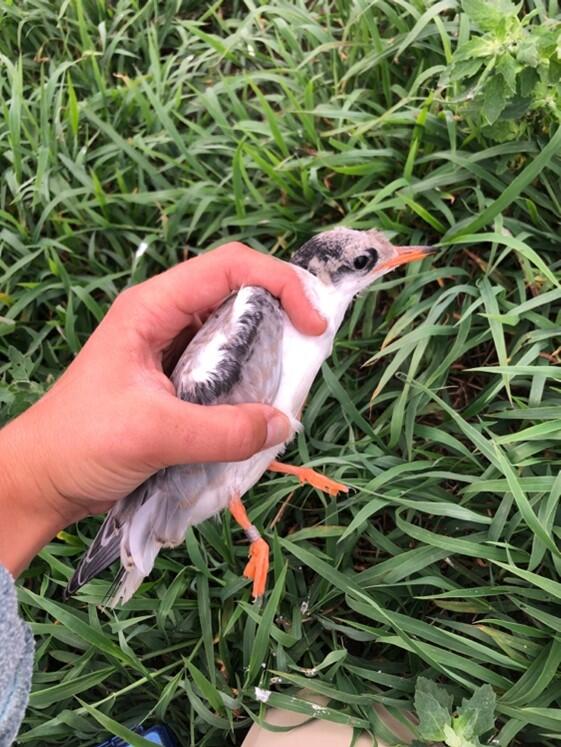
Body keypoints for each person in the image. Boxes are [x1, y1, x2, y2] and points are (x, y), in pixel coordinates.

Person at [0, 242, 327, 745]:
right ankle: (256, 541)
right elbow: (230, 467)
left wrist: (37, 485)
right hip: (182, 493)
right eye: (371, 262)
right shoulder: (262, 313)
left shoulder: (274, 314)